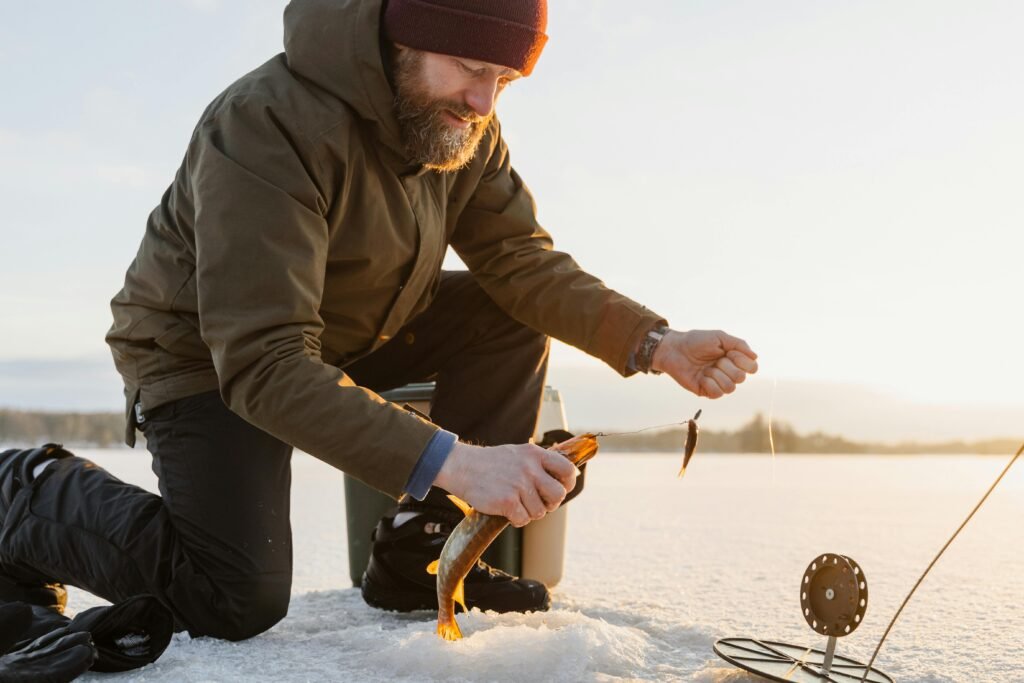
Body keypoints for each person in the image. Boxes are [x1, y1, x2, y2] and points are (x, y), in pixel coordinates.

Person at [0, 0, 757, 643]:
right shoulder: (267, 125)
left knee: (507, 310)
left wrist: (655, 343)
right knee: (233, 596)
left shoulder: (463, 130)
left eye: (504, 79)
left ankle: (419, 551)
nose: (484, 102)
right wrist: (459, 461)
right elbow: (264, 360)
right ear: (406, 33)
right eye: (471, 68)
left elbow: (522, 263)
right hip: (205, 353)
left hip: (351, 329)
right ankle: (21, 492)